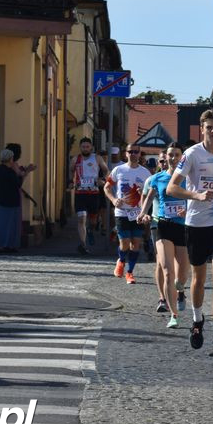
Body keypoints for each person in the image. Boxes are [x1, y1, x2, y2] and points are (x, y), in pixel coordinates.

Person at [166, 110, 213, 358]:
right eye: (209, 127)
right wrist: (195, 195)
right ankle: (198, 320)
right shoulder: (192, 154)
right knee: (198, 278)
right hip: (196, 223)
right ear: (202, 129)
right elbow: (172, 187)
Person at [139, 143, 189, 329]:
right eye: (170, 155)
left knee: (182, 274)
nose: (173, 158)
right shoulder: (158, 178)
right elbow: (150, 197)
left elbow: (195, 198)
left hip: (183, 227)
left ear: (182, 157)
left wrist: (188, 211)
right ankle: (173, 314)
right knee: (168, 270)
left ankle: (181, 289)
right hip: (161, 225)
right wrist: (142, 213)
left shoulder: (188, 178)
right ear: (165, 157)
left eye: (177, 155)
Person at [104, 144, 152, 284]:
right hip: (122, 212)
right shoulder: (119, 170)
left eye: (136, 152)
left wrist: (143, 194)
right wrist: (113, 199)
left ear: (139, 154)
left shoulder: (145, 173)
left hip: (138, 212)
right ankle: (121, 260)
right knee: (124, 243)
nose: (133, 154)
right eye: (130, 151)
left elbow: (150, 192)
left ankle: (130, 273)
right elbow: (106, 187)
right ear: (126, 154)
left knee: (136, 244)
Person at [69, 137, 109, 255]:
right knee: (81, 218)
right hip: (80, 193)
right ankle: (83, 244)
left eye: (87, 147)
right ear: (80, 148)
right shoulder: (76, 159)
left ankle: (91, 229)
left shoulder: (97, 158)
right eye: (83, 147)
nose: (85, 148)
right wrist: (71, 181)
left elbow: (106, 170)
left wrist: (102, 180)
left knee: (93, 220)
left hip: (94, 193)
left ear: (91, 147)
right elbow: (71, 170)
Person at [0, 149, 23, 253]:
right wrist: (21, 174)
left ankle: (3, 244)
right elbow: (18, 183)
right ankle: (8, 245)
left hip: (2, 200)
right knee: (11, 225)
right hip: (11, 201)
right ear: (9, 159)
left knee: (3, 224)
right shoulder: (10, 171)